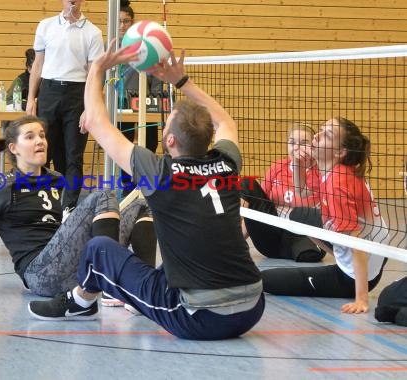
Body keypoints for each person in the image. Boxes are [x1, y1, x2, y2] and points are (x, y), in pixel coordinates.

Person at [28, 44, 264, 341]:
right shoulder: (227, 163)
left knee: (98, 249)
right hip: (253, 308)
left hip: (199, 319)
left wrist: (97, 70)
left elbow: (99, 123)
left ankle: (80, 302)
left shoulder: (160, 173)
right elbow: (226, 121)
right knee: (177, 254)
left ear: (170, 141)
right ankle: (99, 299)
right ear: (207, 139)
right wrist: (182, 82)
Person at [0, 115, 156, 298]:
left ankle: (148, 286)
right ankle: (109, 284)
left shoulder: (56, 178)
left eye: (42, 136)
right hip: (39, 273)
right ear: (13, 148)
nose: (40, 141)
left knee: (141, 205)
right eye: (30, 136)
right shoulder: (1, 187)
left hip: (66, 265)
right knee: (103, 194)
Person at [261, 117, 388, 314]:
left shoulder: (337, 183)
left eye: (327, 135)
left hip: (355, 275)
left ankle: (349, 278)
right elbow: (301, 192)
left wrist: (361, 299)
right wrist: (297, 164)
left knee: (266, 281)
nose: (317, 136)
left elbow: (357, 243)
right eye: (320, 130)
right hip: (376, 250)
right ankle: (337, 254)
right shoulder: (330, 170)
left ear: (340, 152)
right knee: (299, 215)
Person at [26, 0, 104, 210]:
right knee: (43, 152)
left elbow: (94, 75)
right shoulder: (46, 25)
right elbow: (38, 65)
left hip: (77, 94)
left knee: (73, 156)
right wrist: (31, 98)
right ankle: (40, 204)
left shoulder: (93, 33)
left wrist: (89, 107)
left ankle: (68, 207)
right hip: (49, 92)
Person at [239, 123, 325, 262]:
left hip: (302, 234)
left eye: (304, 143)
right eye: (292, 143)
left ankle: (297, 249)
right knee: (246, 184)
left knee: (310, 256)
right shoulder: (278, 167)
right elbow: (257, 206)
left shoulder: (321, 172)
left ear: (313, 147)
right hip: (272, 232)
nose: (296, 147)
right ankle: (232, 242)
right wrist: (237, 241)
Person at [116, 0, 166, 194]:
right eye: (119, 21)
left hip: (146, 105)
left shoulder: (145, 46)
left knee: (149, 145)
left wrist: (155, 97)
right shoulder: (110, 46)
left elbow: (155, 73)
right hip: (121, 106)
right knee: (125, 147)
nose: (122, 26)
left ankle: (147, 187)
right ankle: (128, 188)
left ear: (132, 22)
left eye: (126, 21)